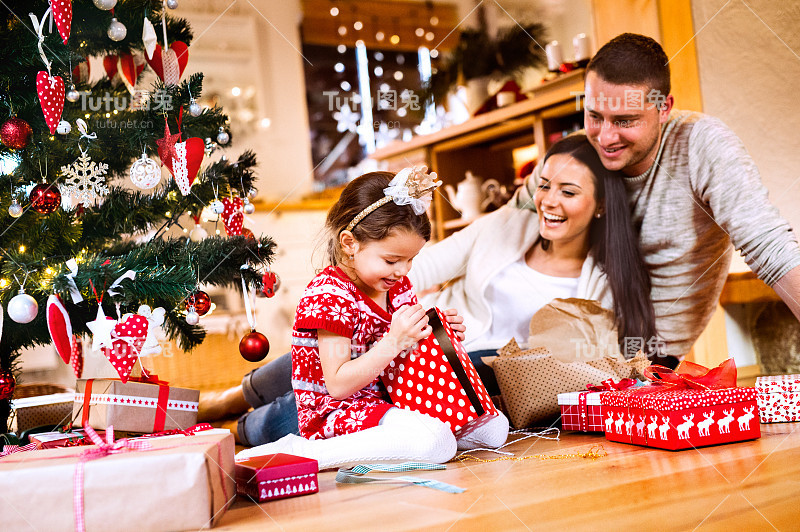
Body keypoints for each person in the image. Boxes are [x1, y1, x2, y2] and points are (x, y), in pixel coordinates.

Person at [513, 33, 800, 360]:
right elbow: (507, 226)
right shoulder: (576, 154)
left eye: (624, 120)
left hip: (646, 368)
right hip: (547, 350)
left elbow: (770, 246)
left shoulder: (701, 145)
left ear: (664, 108)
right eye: (594, 116)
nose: (605, 138)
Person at [235, 168, 509, 468]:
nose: (403, 271)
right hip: (339, 411)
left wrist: (437, 334)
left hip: (391, 397)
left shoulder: (396, 285)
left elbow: (408, 354)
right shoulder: (330, 297)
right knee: (436, 442)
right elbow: (338, 385)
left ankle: (407, 437)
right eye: (392, 260)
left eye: (411, 260)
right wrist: (394, 341)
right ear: (350, 244)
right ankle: (307, 453)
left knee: (495, 430)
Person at [409, 134, 664, 395]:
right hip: (433, 355)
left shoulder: (607, 284)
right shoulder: (506, 223)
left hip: (516, 388)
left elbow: (608, 367)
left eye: (568, 192)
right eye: (544, 186)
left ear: (601, 204)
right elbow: (414, 269)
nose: (549, 201)